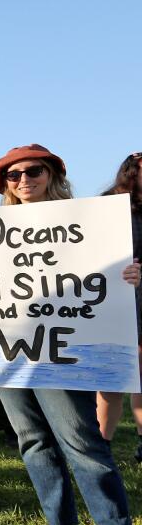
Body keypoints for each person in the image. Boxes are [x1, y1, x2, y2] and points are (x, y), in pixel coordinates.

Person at [0, 144, 140, 525]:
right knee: (31, 437)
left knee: (82, 441)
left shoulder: (85, 221)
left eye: (32, 171)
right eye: (12, 176)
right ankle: (60, 523)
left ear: (51, 174)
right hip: (5, 348)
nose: (23, 180)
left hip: (64, 349)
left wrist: (128, 275)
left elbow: (105, 272)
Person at [98, 150, 142, 462]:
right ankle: (102, 442)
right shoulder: (106, 205)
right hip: (109, 301)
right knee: (110, 377)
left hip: (140, 296)